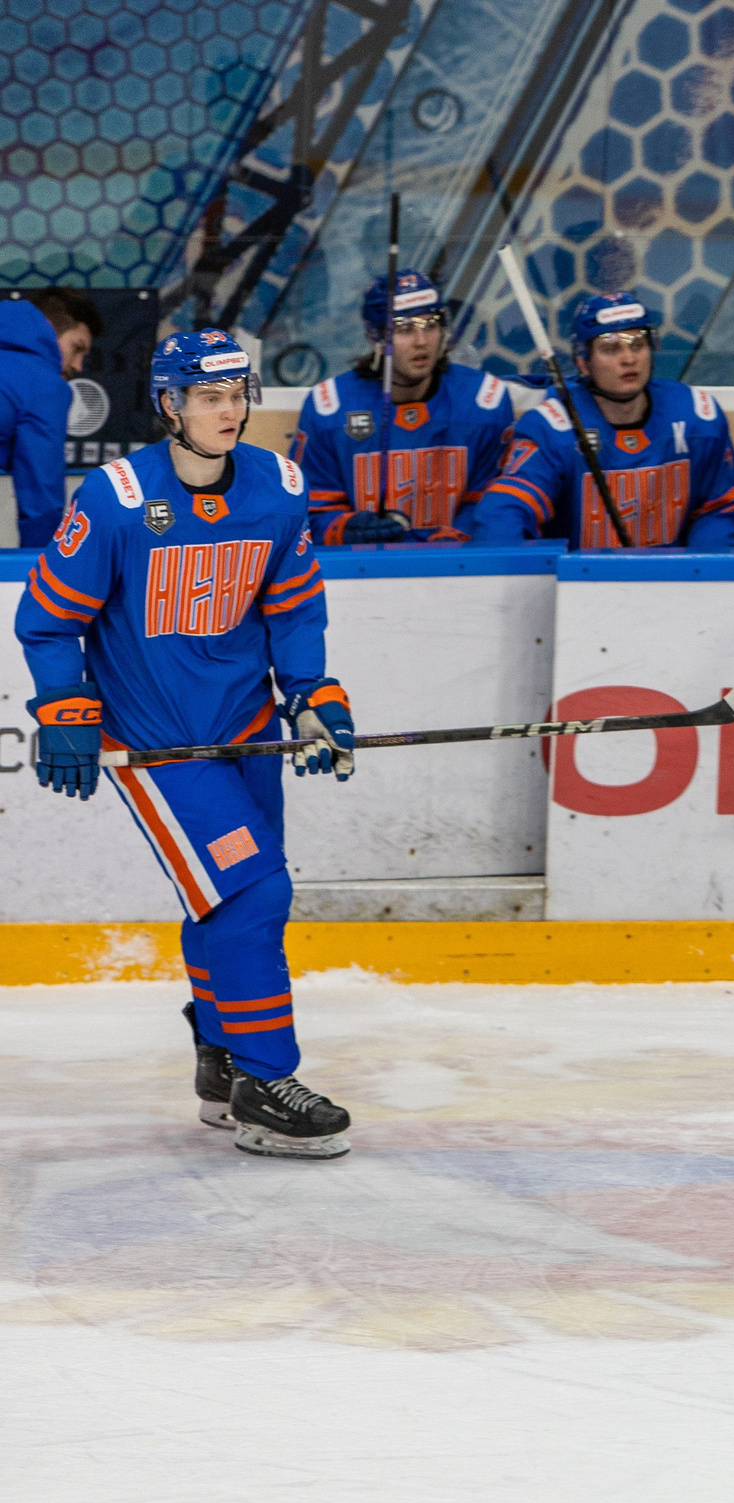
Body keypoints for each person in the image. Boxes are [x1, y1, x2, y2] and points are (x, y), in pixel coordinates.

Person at [13, 328, 358, 1156]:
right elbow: (50, 620)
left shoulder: (277, 485)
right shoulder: (117, 497)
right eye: (209, 396)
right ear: (170, 404)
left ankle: (222, 1059)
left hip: (246, 729)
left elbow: (293, 608)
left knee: (223, 900)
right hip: (160, 744)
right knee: (254, 892)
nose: (228, 410)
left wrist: (313, 696)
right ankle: (265, 1077)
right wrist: (64, 705)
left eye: (237, 394)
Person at [471, 293, 734, 550]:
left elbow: (729, 503)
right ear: (584, 361)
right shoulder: (552, 426)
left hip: (672, 590)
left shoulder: (697, 416)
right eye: (611, 348)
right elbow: (504, 512)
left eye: (638, 344)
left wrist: (699, 568)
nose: (629, 359)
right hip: (581, 592)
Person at [291, 270, 516, 546]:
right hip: (363, 575)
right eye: (404, 328)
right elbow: (306, 512)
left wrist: (452, 541)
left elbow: (496, 502)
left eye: (430, 324)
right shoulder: (330, 406)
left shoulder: (483, 401)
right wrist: (344, 528)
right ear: (374, 336)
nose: (421, 341)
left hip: (458, 570)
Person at [0, 288, 98, 549]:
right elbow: (42, 497)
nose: (78, 366)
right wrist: (43, 571)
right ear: (49, 328)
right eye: (76, 348)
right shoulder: (43, 385)